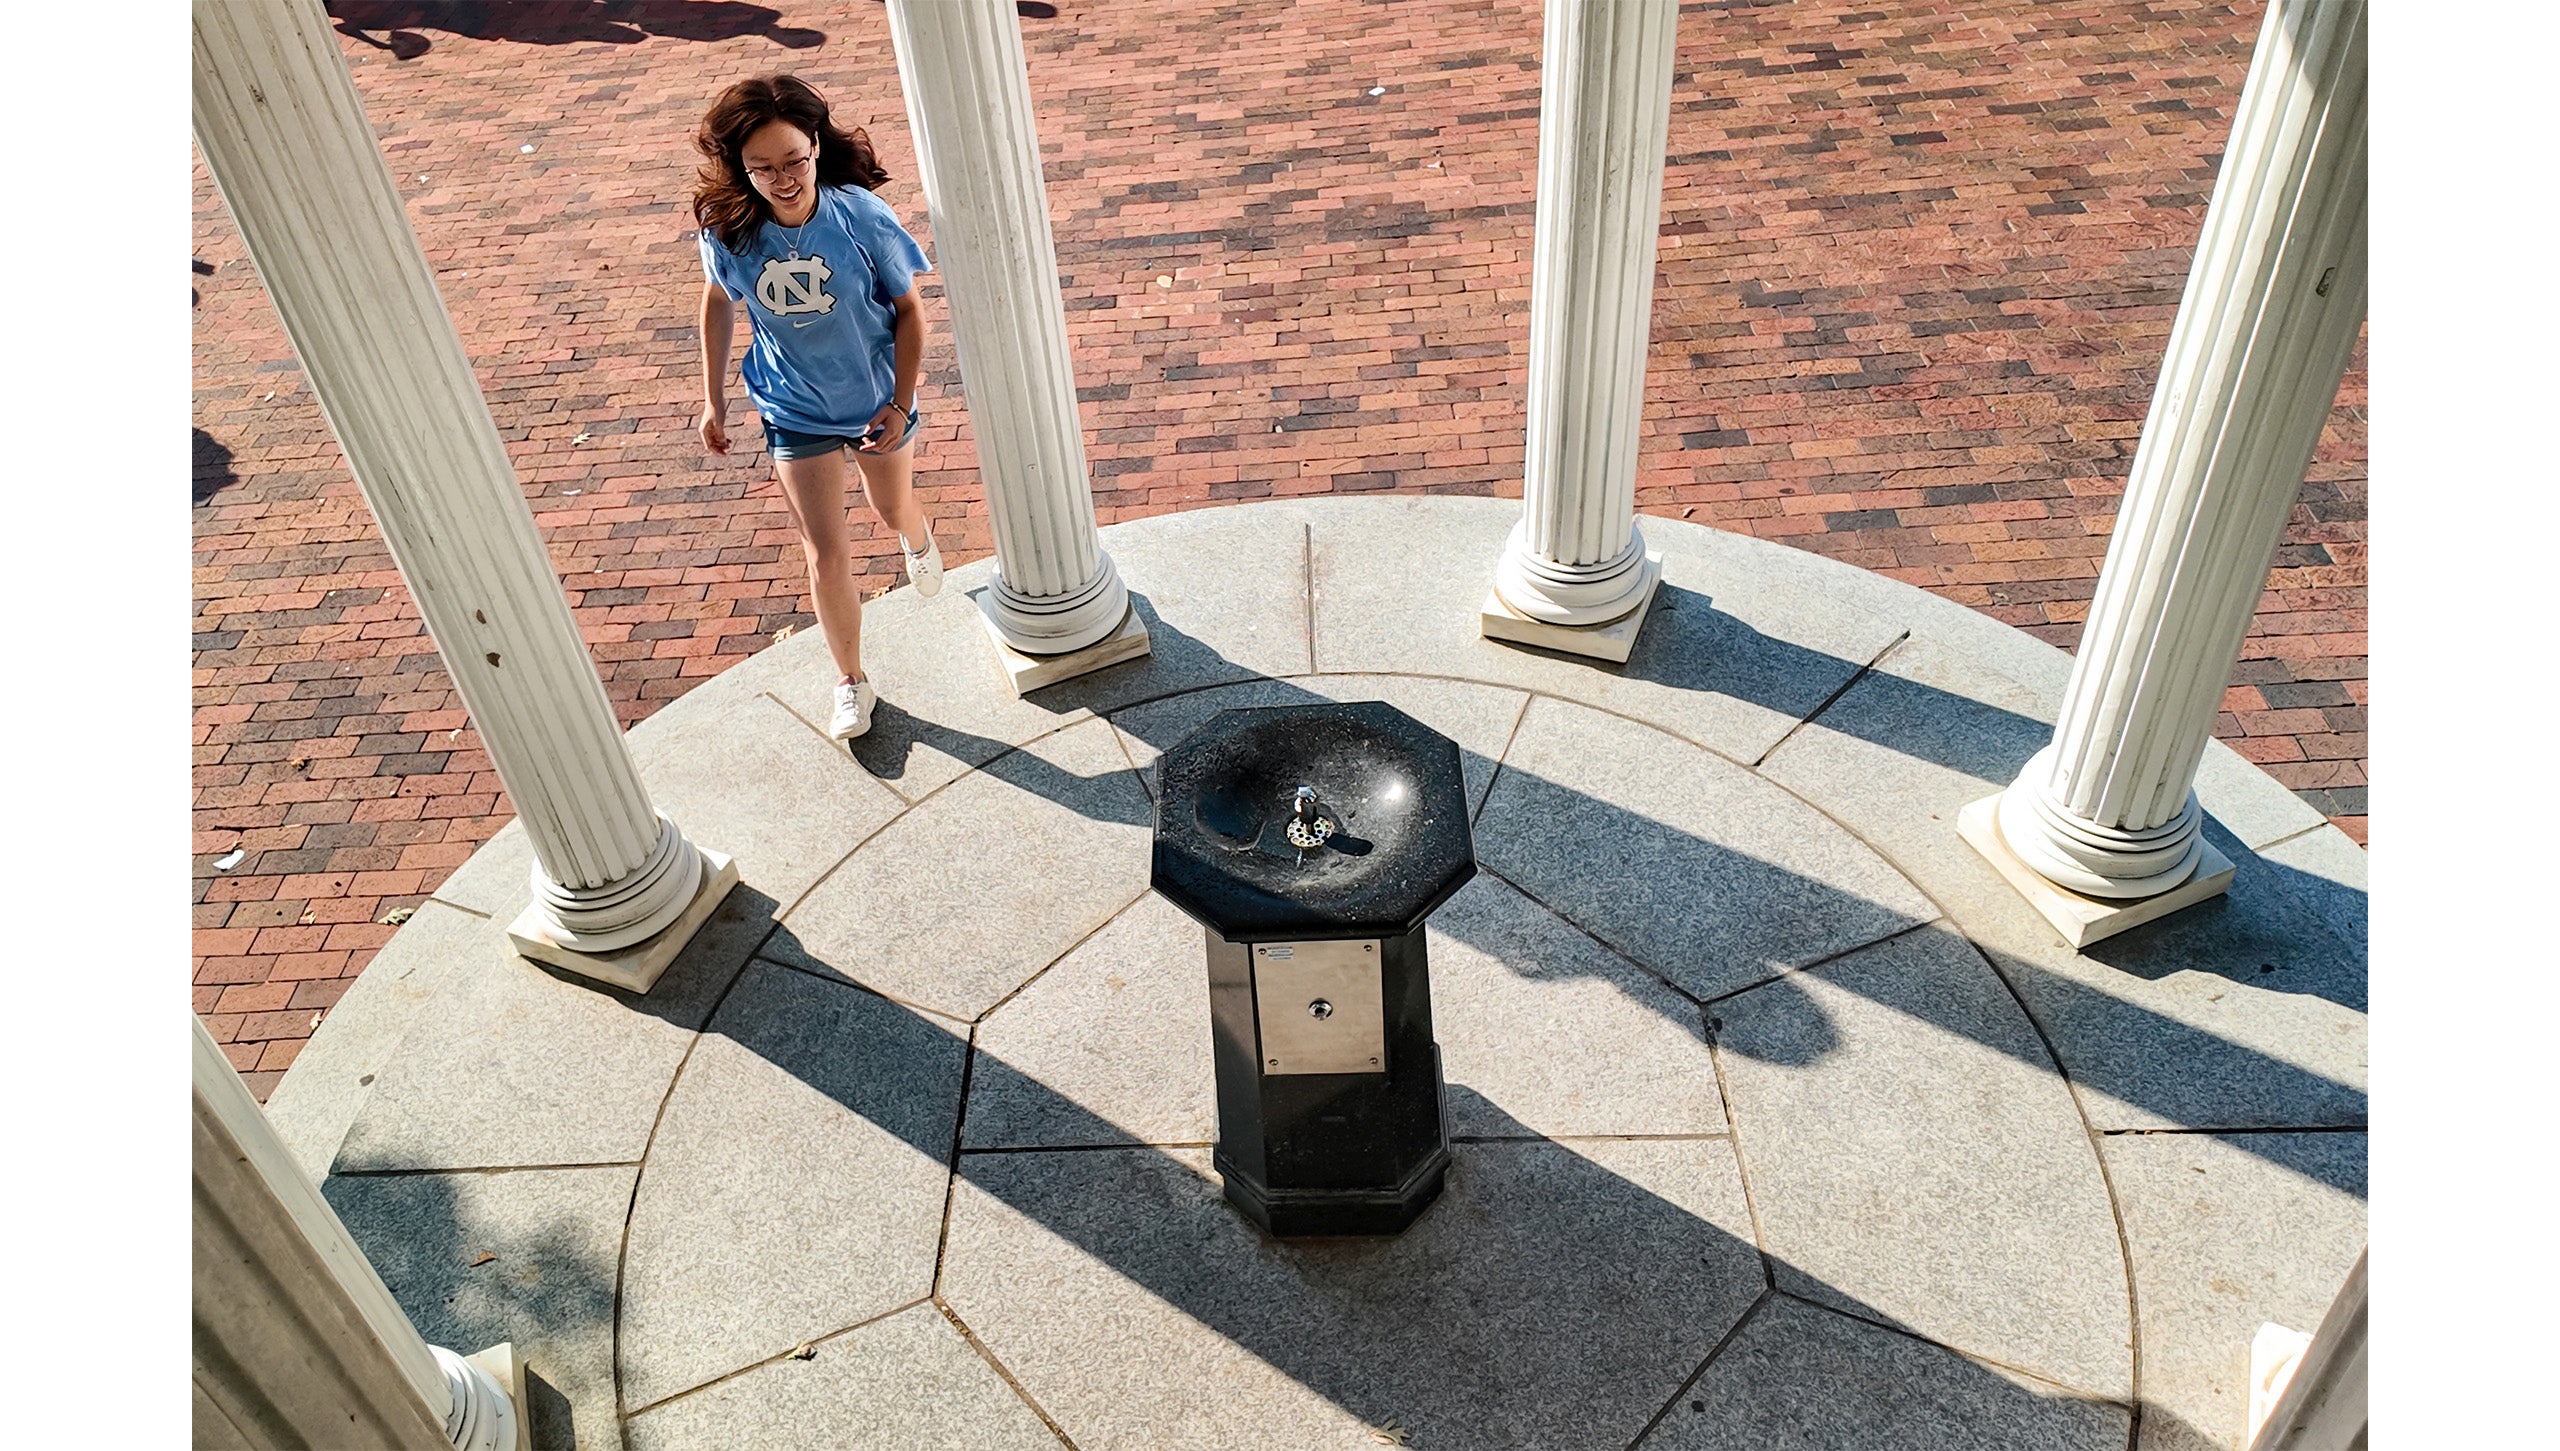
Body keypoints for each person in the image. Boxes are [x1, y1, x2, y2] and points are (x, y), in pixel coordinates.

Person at [692, 74, 942, 740]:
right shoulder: (730, 233)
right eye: (762, 168)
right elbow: (718, 301)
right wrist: (712, 397)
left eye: (794, 161)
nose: (782, 179)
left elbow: (910, 312)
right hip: (793, 408)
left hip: (874, 402)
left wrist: (900, 401)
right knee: (826, 553)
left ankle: (916, 536)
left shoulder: (859, 216)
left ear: (815, 149)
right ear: (740, 170)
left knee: (891, 507)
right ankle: (851, 681)